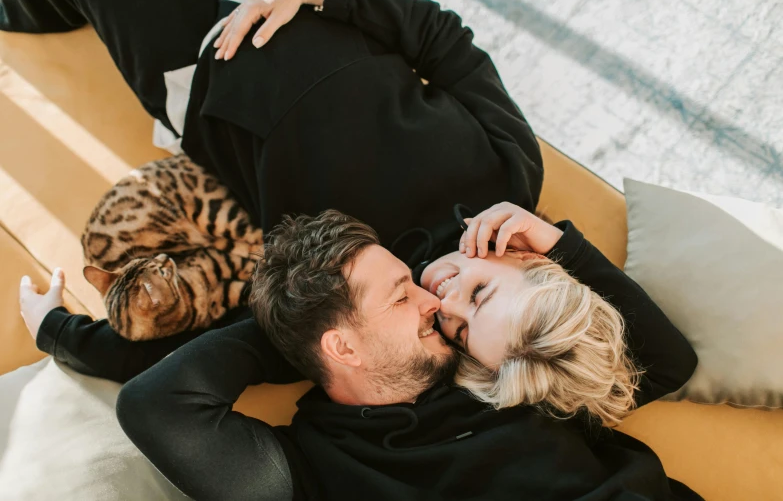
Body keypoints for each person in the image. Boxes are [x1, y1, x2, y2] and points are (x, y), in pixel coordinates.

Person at [20, 207, 700, 500]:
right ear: (340, 343)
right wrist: (300, 324)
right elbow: (158, 402)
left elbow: (662, 365)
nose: (436, 297)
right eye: (405, 292)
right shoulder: (305, 474)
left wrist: (556, 246)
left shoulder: (503, 377)